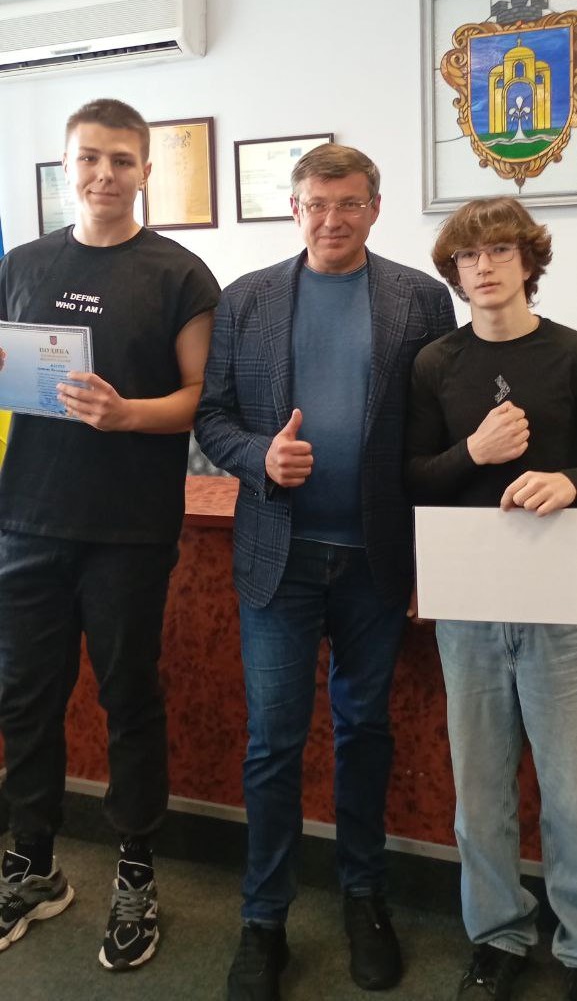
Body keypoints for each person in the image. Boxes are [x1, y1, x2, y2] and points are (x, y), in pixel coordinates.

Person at [194, 143, 455, 1000]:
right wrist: (259, 459)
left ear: (374, 207)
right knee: (274, 742)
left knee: (363, 732)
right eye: (316, 202)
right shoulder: (247, 299)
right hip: (281, 557)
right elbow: (213, 417)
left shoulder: (419, 298)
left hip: (376, 557)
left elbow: (435, 426)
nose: (331, 219)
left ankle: (363, 898)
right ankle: (262, 921)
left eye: (348, 203)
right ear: (294, 208)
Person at [0, 98, 220, 969]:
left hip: (128, 528)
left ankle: (135, 871)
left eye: (121, 160)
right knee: (26, 700)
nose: (103, 174)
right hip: (26, 519)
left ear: (144, 170)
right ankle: (34, 865)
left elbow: (200, 398)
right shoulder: (23, 263)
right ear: (65, 165)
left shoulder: (178, 274)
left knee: (127, 699)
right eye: (88, 158)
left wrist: (128, 414)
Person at [406, 197, 577, 1001]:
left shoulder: (570, 354)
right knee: (479, 797)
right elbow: (412, 477)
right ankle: (498, 934)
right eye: (467, 256)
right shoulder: (434, 364)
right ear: (454, 271)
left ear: (527, 261)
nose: (482, 266)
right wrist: (472, 452)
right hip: (468, 601)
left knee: (570, 794)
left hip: (558, 602)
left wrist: (570, 480)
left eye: (499, 251)